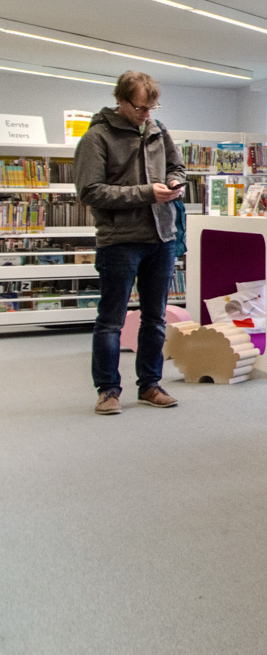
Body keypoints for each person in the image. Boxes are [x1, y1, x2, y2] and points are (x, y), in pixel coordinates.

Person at [75, 70, 187, 415]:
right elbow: (90, 191)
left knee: (155, 318)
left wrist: (174, 182)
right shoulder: (96, 137)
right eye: (140, 108)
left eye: (152, 108)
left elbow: (178, 168)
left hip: (161, 237)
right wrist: (146, 193)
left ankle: (150, 385)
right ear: (121, 101)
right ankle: (108, 390)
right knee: (111, 320)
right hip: (120, 241)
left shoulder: (158, 130)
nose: (146, 115)